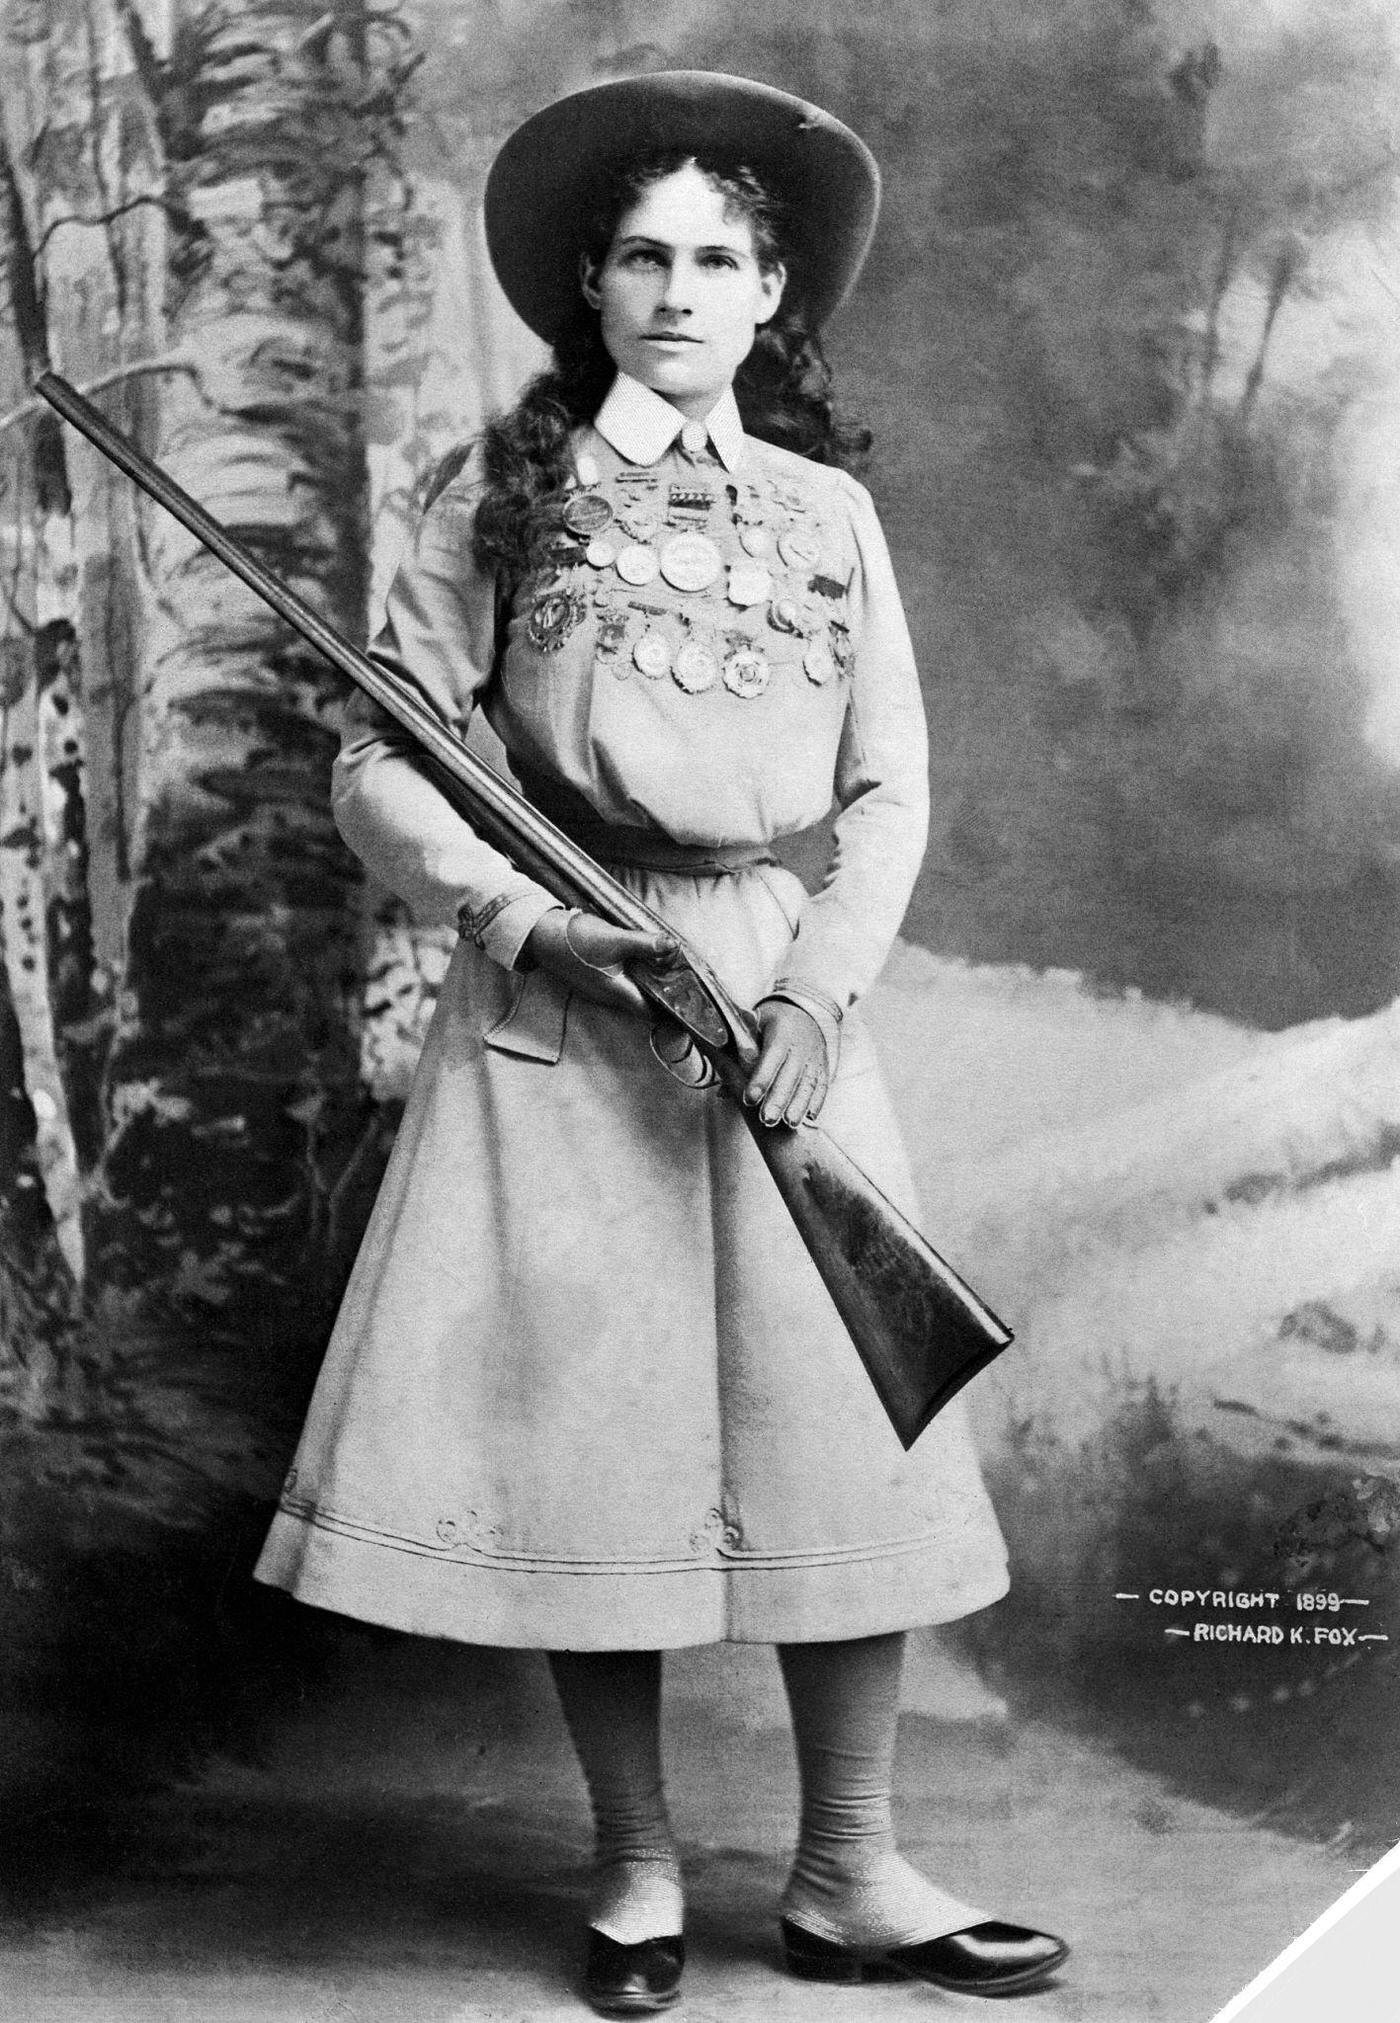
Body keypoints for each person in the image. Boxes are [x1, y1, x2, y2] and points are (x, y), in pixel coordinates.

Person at [255, 70, 1068, 2017]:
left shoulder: (824, 514)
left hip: (776, 988)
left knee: (839, 1430)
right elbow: (379, 765)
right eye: (643, 255)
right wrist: (532, 918)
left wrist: (809, 996)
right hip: (561, 995)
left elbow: (886, 791)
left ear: (773, 290)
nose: (679, 290)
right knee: (589, 1445)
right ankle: (631, 1873)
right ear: (589, 288)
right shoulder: (491, 495)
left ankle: (850, 1870)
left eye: (721, 256)